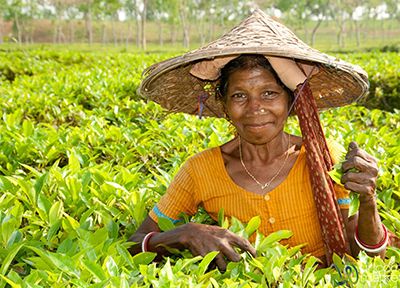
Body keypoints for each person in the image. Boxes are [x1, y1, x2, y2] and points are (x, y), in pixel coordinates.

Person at [129, 9, 389, 270]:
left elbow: (366, 253)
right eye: (239, 96)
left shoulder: (322, 157)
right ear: (225, 105)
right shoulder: (200, 170)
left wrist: (368, 200)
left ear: (291, 101)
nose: (255, 108)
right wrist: (185, 233)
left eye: (269, 93)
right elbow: (134, 244)